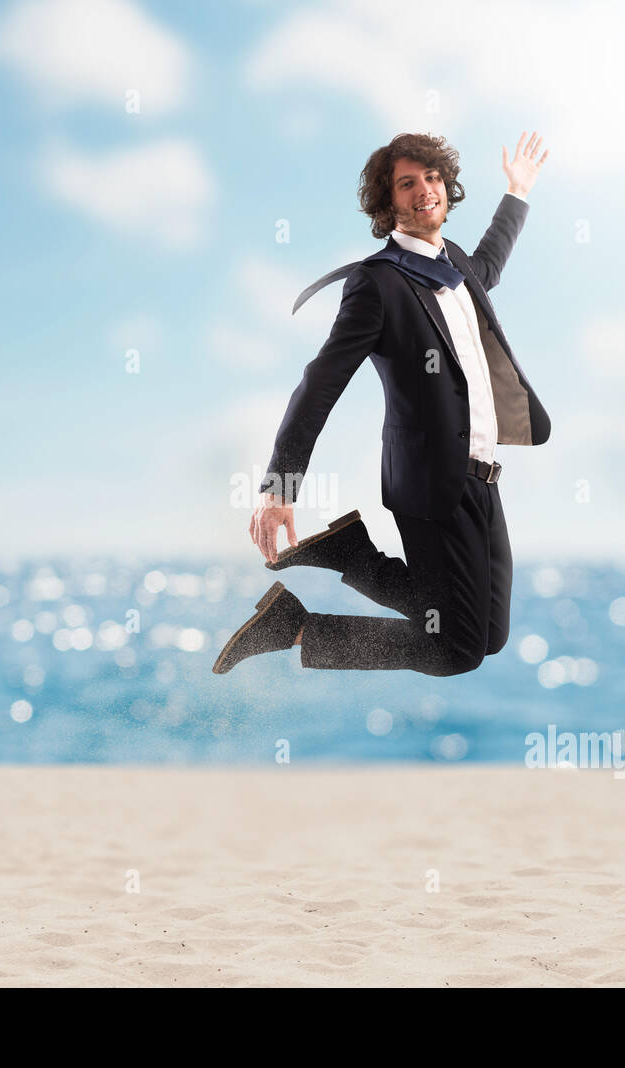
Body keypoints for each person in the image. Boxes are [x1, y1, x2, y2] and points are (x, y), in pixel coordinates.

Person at [213, 131, 551, 677]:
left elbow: (489, 264)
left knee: (488, 633)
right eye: (407, 183)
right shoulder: (378, 283)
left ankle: (353, 557)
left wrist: (518, 191)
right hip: (429, 483)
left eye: (433, 178)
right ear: (386, 201)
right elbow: (320, 382)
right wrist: (279, 486)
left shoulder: (458, 267)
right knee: (455, 648)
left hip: (484, 480)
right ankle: (295, 625)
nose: (425, 190)